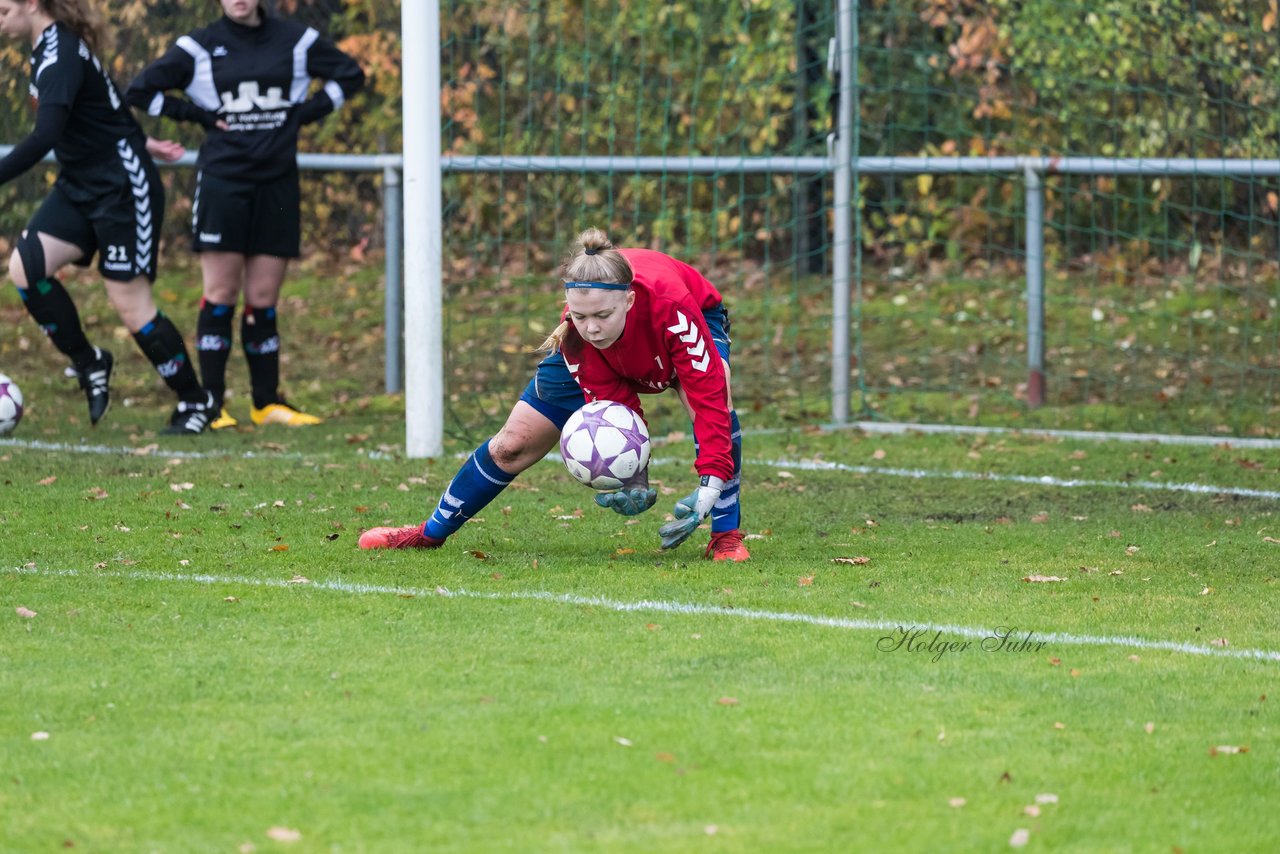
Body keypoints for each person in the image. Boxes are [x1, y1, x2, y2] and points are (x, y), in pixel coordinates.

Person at [360, 228, 750, 562]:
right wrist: (635, 478)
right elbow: (615, 411)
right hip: (606, 354)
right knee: (512, 445)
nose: (592, 328)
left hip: (692, 317)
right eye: (580, 316)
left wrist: (709, 486)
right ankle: (429, 533)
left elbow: (710, 401)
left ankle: (725, 536)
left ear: (628, 300)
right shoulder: (578, 338)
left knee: (717, 397)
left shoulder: (672, 309)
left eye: (602, 316)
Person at [125, 0, 364, 429]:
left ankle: (266, 402)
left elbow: (352, 76)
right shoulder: (198, 46)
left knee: (262, 299)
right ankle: (211, 405)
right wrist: (197, 114)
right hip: (223, 182)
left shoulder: (296, 40)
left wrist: (302, 115)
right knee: (220, 294)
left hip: (277, 182)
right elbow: (140, 91)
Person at [0, 0, 214, 434]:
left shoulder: (60, 51)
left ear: (30, 4)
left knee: (130, 305)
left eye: (3, 10)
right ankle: (90, 361)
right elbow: (108, 101)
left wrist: (133, 147)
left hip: (120, 187)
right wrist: (139, 138)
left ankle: (196, 401)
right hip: (81, 182)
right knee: (26, 268)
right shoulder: (47, 45)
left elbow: (46, 136)